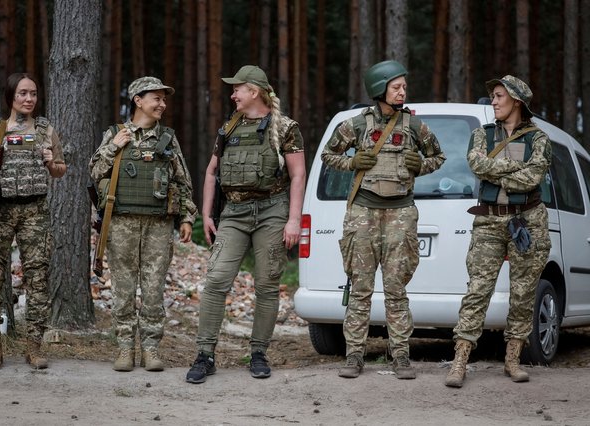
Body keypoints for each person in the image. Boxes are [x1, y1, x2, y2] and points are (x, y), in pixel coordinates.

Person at [322, 60, 445, 380]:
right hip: (362, 211)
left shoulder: (416, 127)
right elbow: (327, 155)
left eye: (404, 86)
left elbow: (439, 157)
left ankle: (401, 355)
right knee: (361, 287)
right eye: (396, 86)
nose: (403, 91)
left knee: (396, 288)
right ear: (380, 90)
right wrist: (352, 163)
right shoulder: (357, 125)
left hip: (401, 212)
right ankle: (354, 356)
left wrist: (421, 164)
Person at [185, 65, 306, 384]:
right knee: (216, 280)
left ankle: (258, 353)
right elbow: (211, 172)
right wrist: (206, 214)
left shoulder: (286, 127)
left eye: (237, 88)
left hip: (272, 211)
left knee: (266, 284)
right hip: (234, 214)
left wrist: (294, 220)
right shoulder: (229, 127)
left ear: (254, 91)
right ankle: (205, 354)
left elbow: (298, 175)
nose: (232, 93)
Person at [445, 75, 551, 388]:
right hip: (489, 220)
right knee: (478, 290)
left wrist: (498, 174)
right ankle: (460, 361)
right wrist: (514, 171)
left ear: (516, 100)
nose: (493, 102)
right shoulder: (482, 134)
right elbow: (475, 164)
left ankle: (512, 359)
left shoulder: (538, 138)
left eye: (499, 96)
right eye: (492, 96)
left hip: (528, 220)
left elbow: (533, 178)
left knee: (522, 292)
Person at [89, 76, 197, 372]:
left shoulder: (167, 138)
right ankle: (125, 349)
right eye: (156, 98)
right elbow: (95, 172)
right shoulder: (115, 133)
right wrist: (113, 147)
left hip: (158, 225)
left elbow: (182, 180)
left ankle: (150, 348)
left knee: (153, 289)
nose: (162, 104)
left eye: (164, 99)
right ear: (138, 100)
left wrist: (186, 217)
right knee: (123, 288)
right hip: (121, 222)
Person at [0, 73, 67, 370]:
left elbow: (60, 170)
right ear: (11, 96)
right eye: (23, 93)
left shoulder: (46, 130)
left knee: (38, 279)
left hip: (35, 211)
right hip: (1, 212)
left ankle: (34, 348)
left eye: (33, 94)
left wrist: (51, 162)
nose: (28, 99)